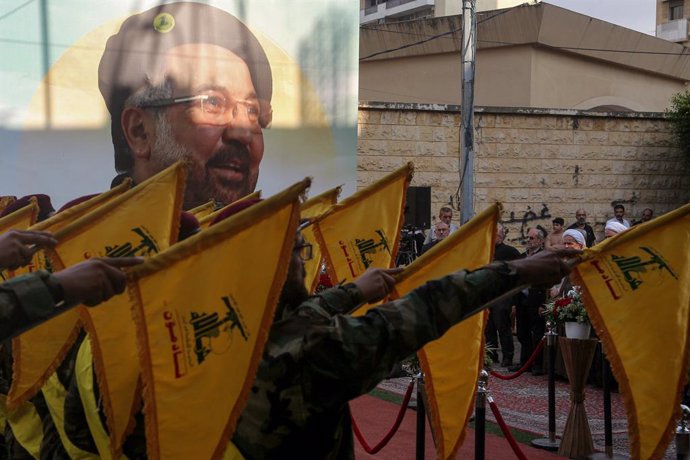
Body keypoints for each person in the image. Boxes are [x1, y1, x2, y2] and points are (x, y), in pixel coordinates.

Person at [230, 228, 578, 458]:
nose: (302, 262)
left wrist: (354, 291)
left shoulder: (232, 329)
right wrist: (518, 272)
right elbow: (425, 308)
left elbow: (305, 312)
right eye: (297, 253)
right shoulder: (312, 349)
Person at [99, 2, 273, 209]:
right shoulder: (81, 239)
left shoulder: (288, 238)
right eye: (213, 102)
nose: (243, 133)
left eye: (252, 111)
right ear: (140, 131)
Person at [511, 227, 548, 375]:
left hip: (535, 300)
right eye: (528, 237)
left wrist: (542, 304)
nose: (529, 240)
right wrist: (514, 303)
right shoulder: (521, 257)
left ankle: (537, 364)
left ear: (539, 240)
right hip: (521, 300)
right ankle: (524, 362)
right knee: (522, 333)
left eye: (532, 238)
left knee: (537, 334)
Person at [485, 225, 521, 367]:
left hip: (503, 295)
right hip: (488, 295)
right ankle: (491, 355)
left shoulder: (511, 252)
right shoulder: (486, 251)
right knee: (489, 328)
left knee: (503, 327)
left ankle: (508, 356)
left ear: (502, 236)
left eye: (497, 234)